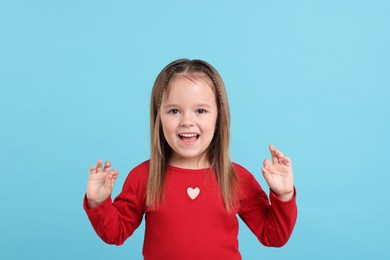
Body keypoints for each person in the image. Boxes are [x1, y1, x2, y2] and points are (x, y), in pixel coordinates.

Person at [83, 59, 297, 259]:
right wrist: (98, 202)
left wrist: (284, 195)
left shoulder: (237, 178)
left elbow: (273, 236)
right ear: (158, 117)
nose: (187, 121)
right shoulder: (144, 177)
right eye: (174, 110)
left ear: (218, 117)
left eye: (200, 110)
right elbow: (115, 233)